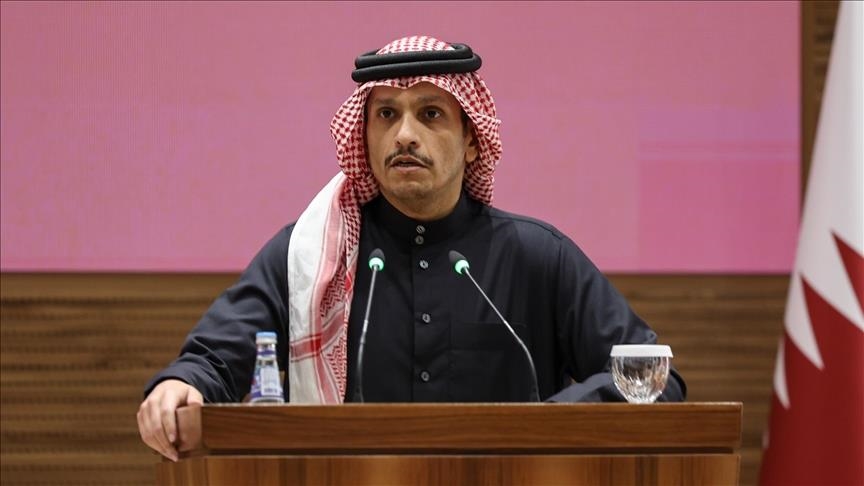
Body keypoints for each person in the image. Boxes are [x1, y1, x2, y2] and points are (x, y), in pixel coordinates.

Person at [137, 35, 686, 461]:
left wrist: (544, 423)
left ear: (472, 141)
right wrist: (184, 384)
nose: (404, 135)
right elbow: (216, 358)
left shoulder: (536, 257)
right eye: (386, 115)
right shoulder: (311, 255)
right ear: (364, 137)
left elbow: (655, 383)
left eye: (429, 114)